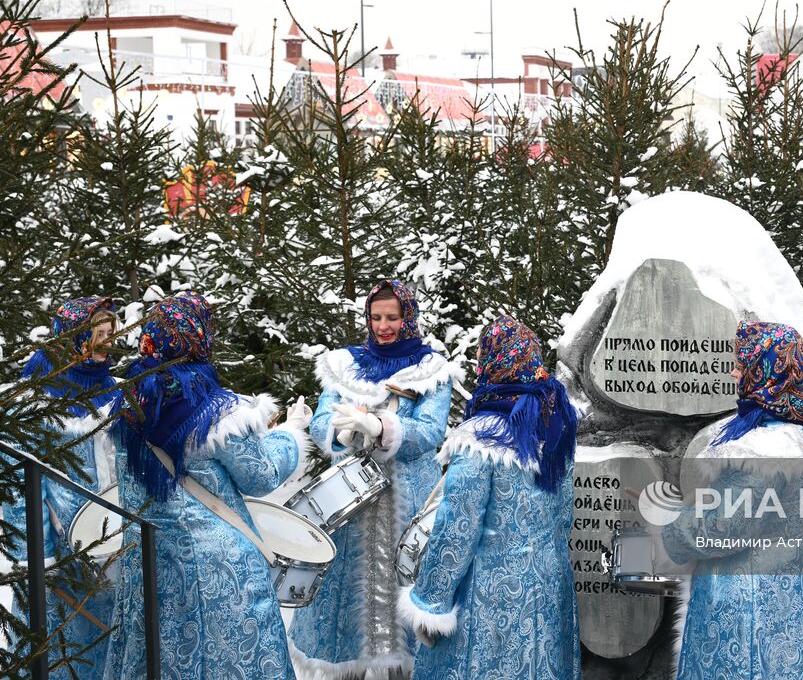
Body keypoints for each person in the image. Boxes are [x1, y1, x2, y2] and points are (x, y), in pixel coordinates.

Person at [101, 292, 311, 680]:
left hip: (149, 563)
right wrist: (292, 433)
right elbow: (261, 476)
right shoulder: (217, 412)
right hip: (219, 570)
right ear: (200, 338)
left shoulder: (128, 402)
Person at [289, 279, 461, 679]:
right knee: (349, 615)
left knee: (403, 617)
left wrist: (382, 426)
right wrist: (342, 432)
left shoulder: (431, 370)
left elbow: (430, 432)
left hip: (407, 502)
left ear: (408, 318)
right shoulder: (344, 365)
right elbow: (322, 420)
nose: (383, 326)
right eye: (376, 317)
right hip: (352, 506)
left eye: (392, 317)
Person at [398, 315, 580, 680]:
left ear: (494, 362)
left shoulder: (480, 437)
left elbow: (456, 530)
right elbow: (565, 518)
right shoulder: (555, 426)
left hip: (488, 601)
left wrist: (431, 603)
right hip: (548, 591)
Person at [661, 320, 803, 680]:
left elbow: (721, 528)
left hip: (750, 608)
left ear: (767, 372)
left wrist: (668, 526)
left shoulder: (762, 452)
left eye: (742, 365)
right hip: (794, 596)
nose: (734, 372)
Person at [3, 296, 122, 678]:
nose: (106, 343)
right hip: (61, 549)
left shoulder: (112, 389)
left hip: (110, 542)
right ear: (72, 337)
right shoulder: (35, 398)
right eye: (97, 334)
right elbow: (19, 483)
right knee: (59, 649)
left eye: (110, 333)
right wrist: (38, 557)